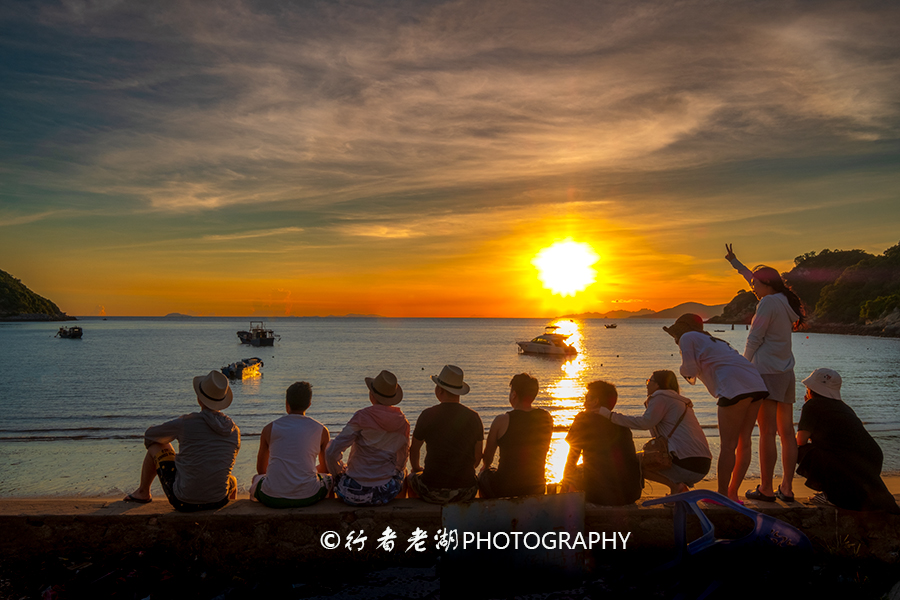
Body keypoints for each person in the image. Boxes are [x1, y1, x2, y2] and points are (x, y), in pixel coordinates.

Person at [726, 244, 804, 503]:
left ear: (767, 284)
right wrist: (735, 263)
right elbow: (753, 277)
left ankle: (767, 489)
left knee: (767, 431)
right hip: (785, 371)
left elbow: (754, 337)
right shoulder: (783, 301)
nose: (753, 289)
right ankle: (788, 488)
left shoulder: (768, 303)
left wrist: (743, 366)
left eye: (756, 286)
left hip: (766, 373)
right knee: (786, 432)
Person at [664, 313, 767, 503]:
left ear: (680, 331)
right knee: (744, 442)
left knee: (728, 446)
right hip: (757, 384)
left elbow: (690, 371)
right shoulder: (715, 340)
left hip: (733, 387)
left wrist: (681, 369)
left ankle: (721, 495)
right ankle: (732, 493)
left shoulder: (687, 338)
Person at [124, 370, 241, 512]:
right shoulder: (234, 431)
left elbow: (150, 436)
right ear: (222, 403)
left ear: (199, 399)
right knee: (232, 481)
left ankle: (143, 492)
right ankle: (226, 513)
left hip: (184, 501)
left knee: (158, 444)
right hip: (219, 501)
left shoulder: (186, 422)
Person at [796, 369, 899, 513]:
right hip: (871, 458)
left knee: (797, 449)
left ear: (811, 390)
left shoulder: (811, 405)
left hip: (848, 462)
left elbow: (801, 440)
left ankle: (827, 494)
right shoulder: (844, 407)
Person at [605, 370, 711, 495]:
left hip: (687, 464)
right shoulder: (679, 401)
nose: (647, 384)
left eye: (649, 381)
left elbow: (646, 423)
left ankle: (675, 487)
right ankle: (680, 493)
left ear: (658, 385)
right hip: (703, 464)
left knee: (633, 462)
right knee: (643, 457)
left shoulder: (660, 397)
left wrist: (611, 416)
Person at [326, 370, 410, 506]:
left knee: (330, 445)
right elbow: (402, 458)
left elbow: (331, 452)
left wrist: (339, 472)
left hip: (354, 492)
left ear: (372, 395)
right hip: (385, 493)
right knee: (403, 471)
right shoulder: (403, 423)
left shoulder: (361, 417)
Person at [408, 365, 484, 504]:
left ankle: (418, 509)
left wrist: (416, 468)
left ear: (439, 390)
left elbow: (414, 449)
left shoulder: (427, 415)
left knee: (410, 478)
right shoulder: (474, 417)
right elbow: (478, 456)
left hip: (432, 490)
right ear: (459, 392)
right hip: (466, 491)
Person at [250, 382, 333, 508]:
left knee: (257, 478)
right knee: (330, 478)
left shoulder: (269, 428)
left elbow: (261, 470)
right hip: (309, 495)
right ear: (309, 404)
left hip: (271, 497)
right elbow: (327, 468)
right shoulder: (321, 430)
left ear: (286, 403)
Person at [563, 380, 643, 505]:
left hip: (599, 495)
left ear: (596, 401)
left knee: (575, 473)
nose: (584, 402)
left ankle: (569, 503)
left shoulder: (582, 419)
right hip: (630, 494)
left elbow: (573, 455)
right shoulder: (621, 422)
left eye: (587, 398)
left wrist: (565, 483)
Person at [479, 373, 552, 498]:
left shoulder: (501, 421)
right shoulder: (546, 418)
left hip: (506, 489)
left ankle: (489, 511)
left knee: (483, 475)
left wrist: (485, 468)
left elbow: (487, 458)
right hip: (536, 487)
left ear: (514, 395)